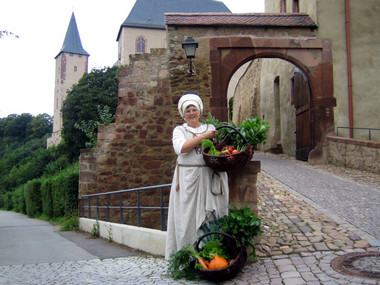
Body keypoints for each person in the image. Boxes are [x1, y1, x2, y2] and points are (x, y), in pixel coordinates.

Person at [165, 93, 229, 259]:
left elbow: (220, 149)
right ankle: (187, 256)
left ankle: (211, 256)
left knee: (210, 218)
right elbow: (181, 148)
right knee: (187, 220)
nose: (191, 113)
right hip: (187, 181)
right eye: (188, 111)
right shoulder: (180, 130)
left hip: (208, 178)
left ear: (199, 111)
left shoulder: (210, 128)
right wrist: (203, 138)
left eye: (194, 109)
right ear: (183, 114)